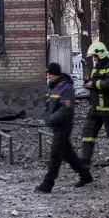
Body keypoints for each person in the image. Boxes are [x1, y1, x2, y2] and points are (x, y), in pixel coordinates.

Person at [37, 62, 93, 193]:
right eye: (48, 74)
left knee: (55, 155)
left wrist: (51, 119)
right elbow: (49, 105)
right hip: (56, 125)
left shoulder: (66, 87)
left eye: (50, 74)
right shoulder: (53, 86)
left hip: (63, 125)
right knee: (68, 154)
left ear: (56, 74)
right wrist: (46, 116)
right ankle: (85, 175)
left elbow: (65, 109)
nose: (48, 76)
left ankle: (47, 184)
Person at [80, 40, 109, 170]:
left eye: (94, 56)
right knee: (87, 133)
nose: (93, 59)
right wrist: (89, 84)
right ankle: (85, 160)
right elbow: (97, 82)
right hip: (95, 108)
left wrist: (94, 84)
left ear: (100, 54)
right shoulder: (97, 66)